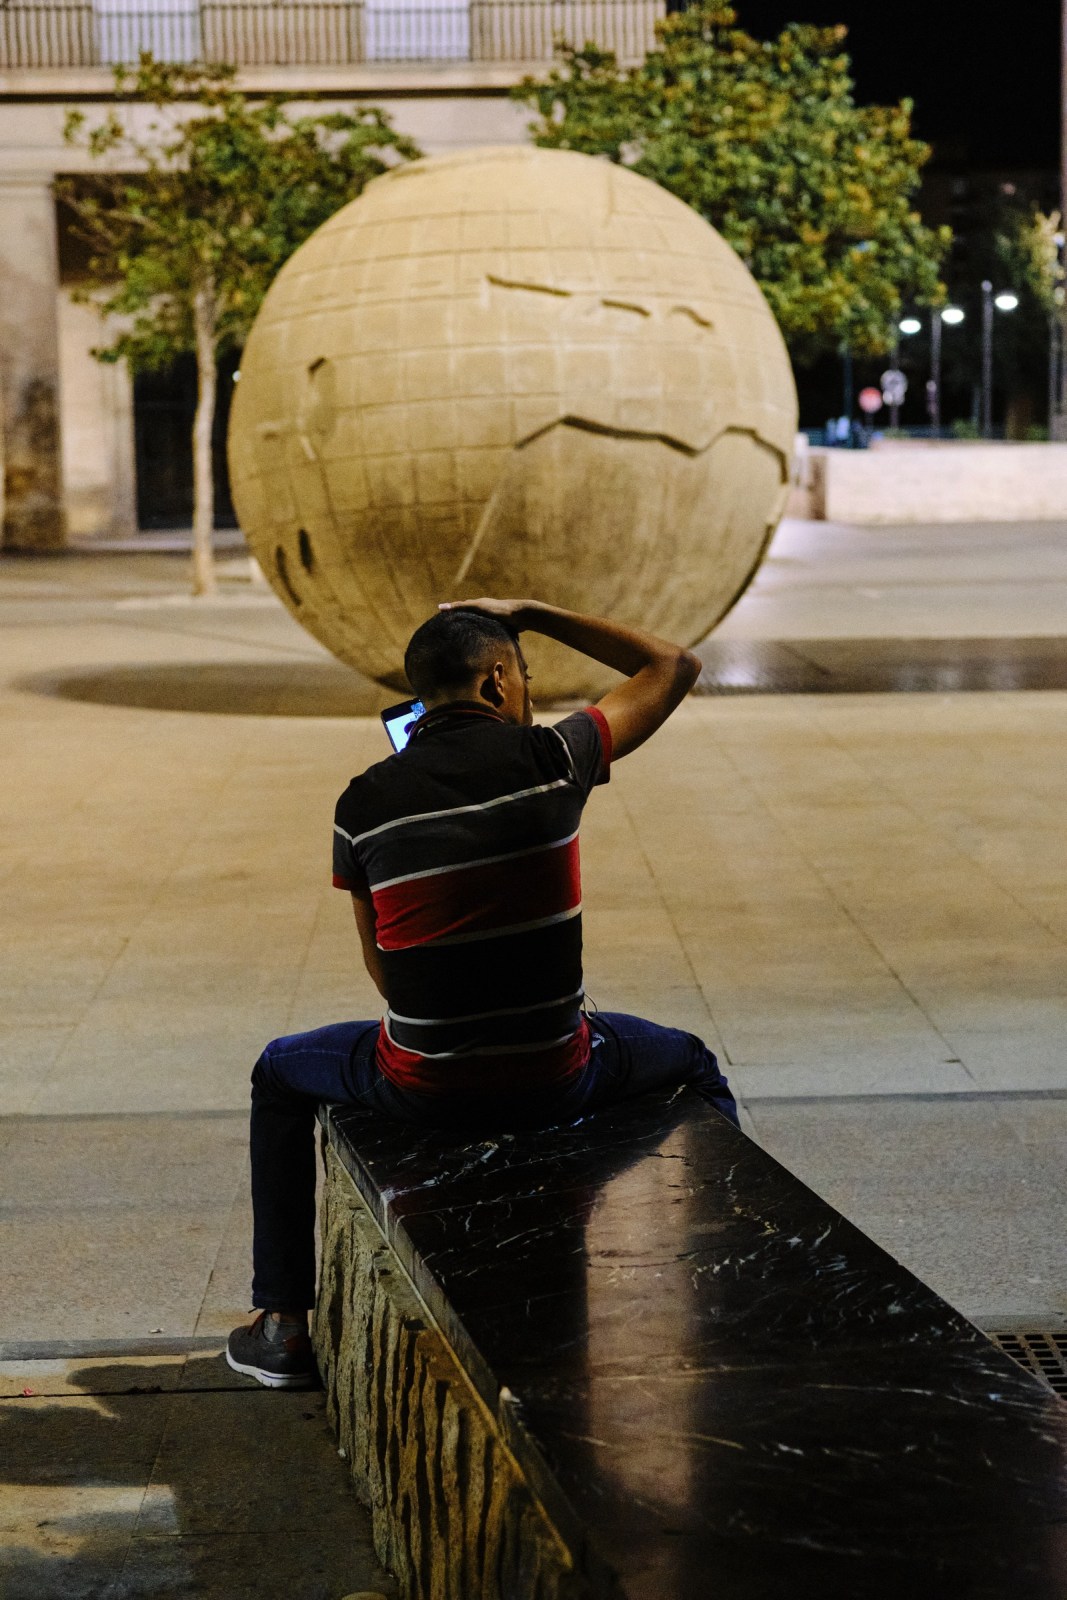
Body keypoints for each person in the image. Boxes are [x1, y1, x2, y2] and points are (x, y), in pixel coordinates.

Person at [227, 598, 737, 1388]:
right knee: (694, 1062)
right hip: (557, 1077)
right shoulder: (552, 759)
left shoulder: (362, 804)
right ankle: (725, 1296)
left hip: (422, 1087)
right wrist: (529, 610)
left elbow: (386, 976)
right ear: (498, 681)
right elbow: (673, 665)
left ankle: (285, 1324)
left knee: (278, 1071)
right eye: (523, 676)